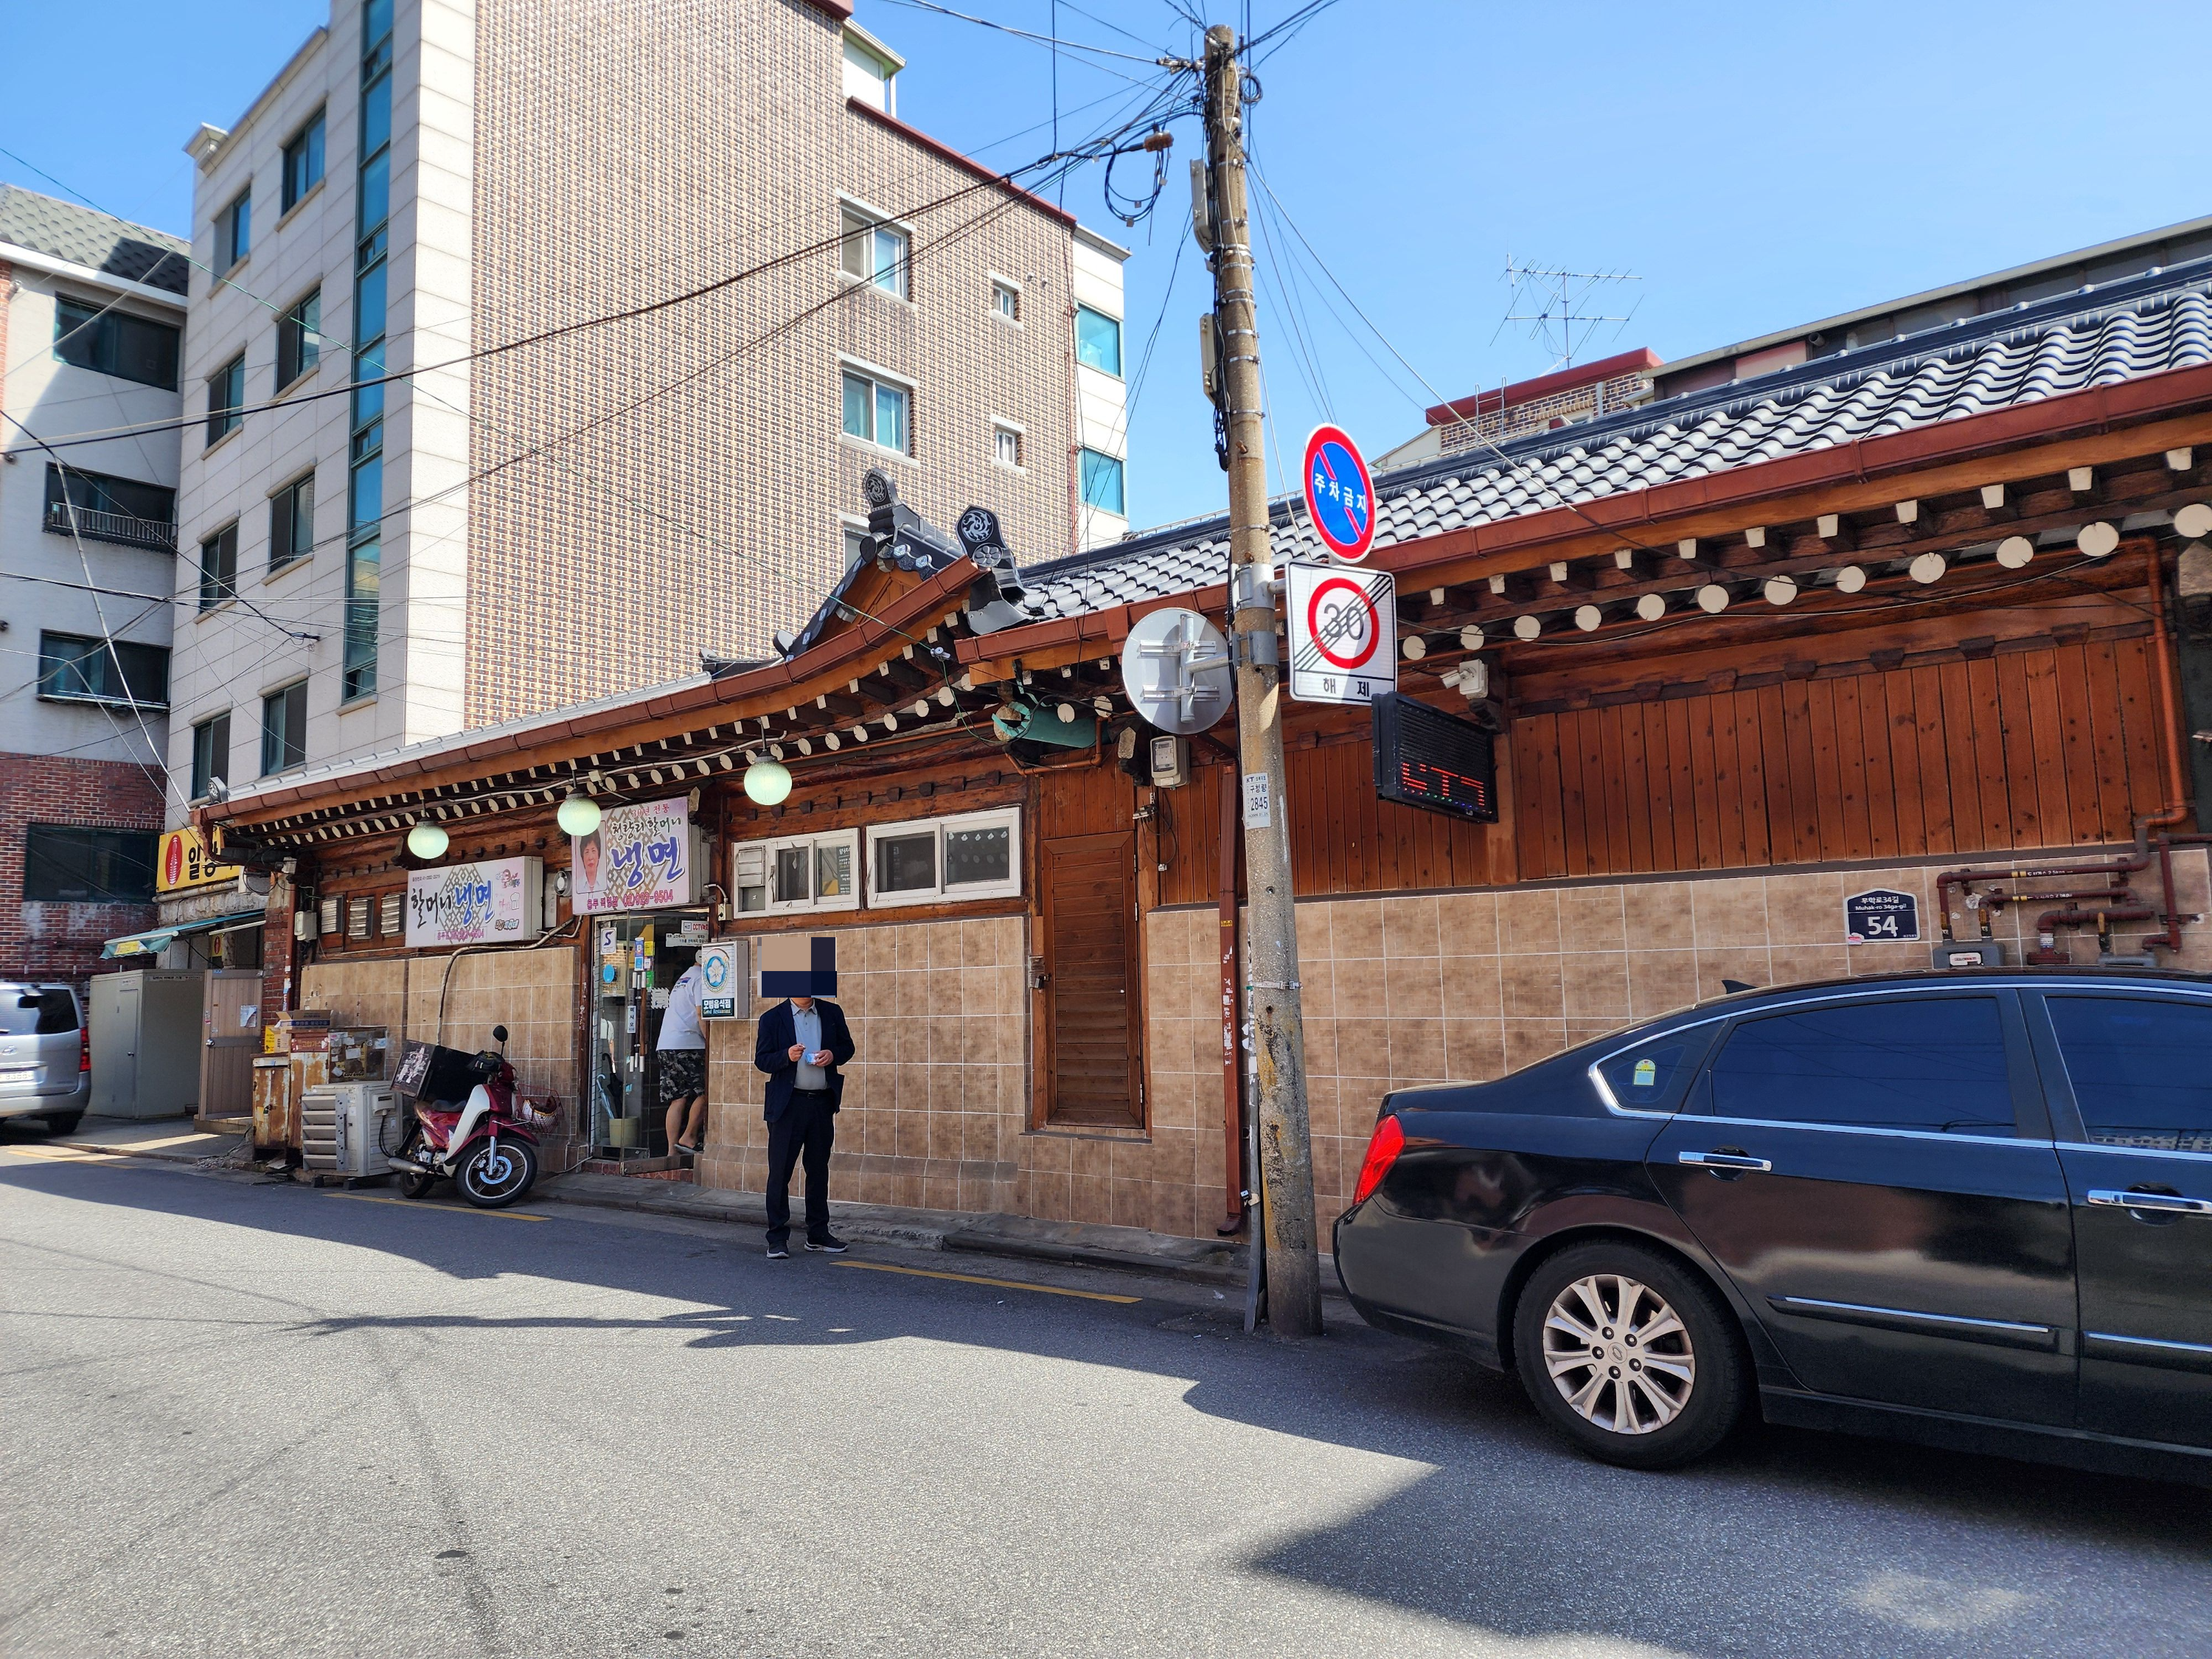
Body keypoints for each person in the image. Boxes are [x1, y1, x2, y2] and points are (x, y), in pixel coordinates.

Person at [752, 988, 855, 1258]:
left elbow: (848, 1048)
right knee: (780, 1171)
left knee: (818, 1169)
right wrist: (787, 1055)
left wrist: (833, 1055)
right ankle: (776, 1237)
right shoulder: (772, 1018)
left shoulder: (832, 1012)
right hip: (788, 1104)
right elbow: (762, 1060)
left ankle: (818, 1234)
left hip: (821, 1102)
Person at [658, 956, 709, 1156]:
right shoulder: (700, 979)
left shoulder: (684, 978)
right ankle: (689, 1136)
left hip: (666, 1044)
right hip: (688, 1045)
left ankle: (671, 1152)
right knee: (707, 1092)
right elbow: (700, 1014)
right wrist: (711, 1043)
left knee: (677, 1098)